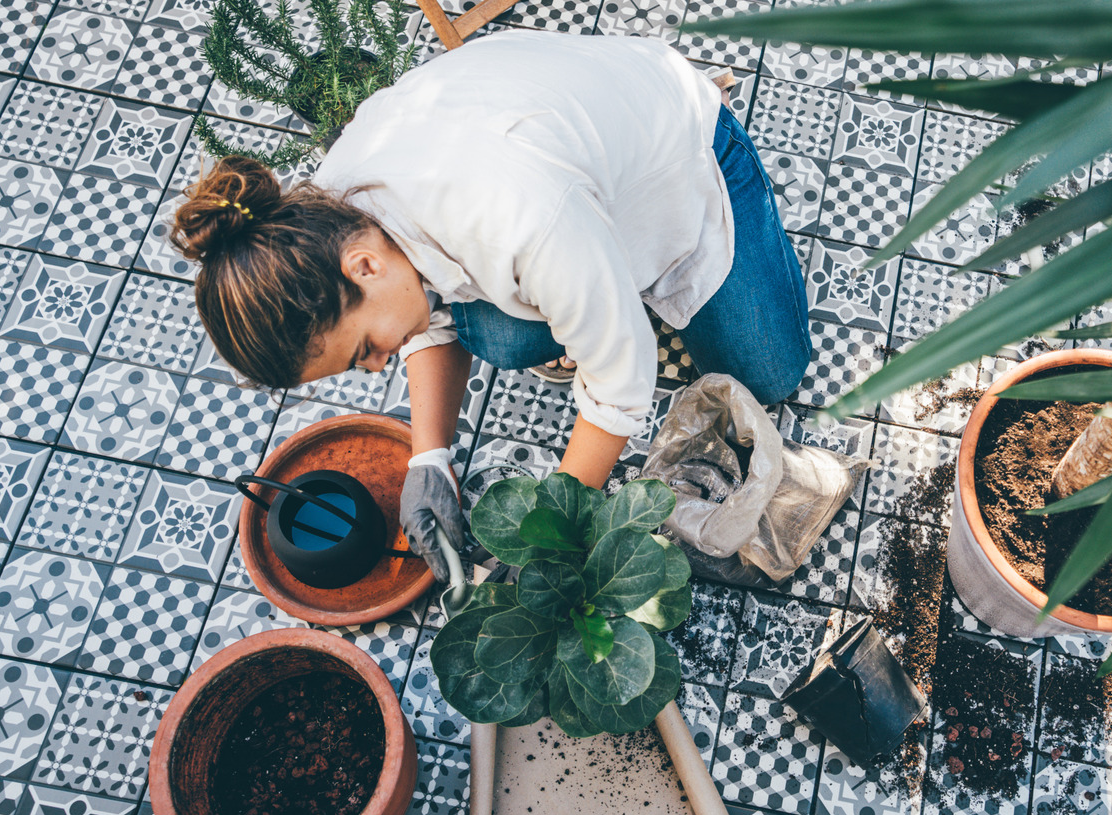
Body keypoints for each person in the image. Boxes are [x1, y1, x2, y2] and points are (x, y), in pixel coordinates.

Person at [171, 31, 812, 589]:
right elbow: (417, 306)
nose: (373, 370)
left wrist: (548, 531)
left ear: (362, 268)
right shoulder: (334, 214)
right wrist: (430, 456)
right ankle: (587, 288)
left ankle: (706, 175)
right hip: (569, 178)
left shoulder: (516, 219)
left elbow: (622, 385)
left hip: (683, 154)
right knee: (503, 336)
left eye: (361, 349)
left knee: (771, 373)